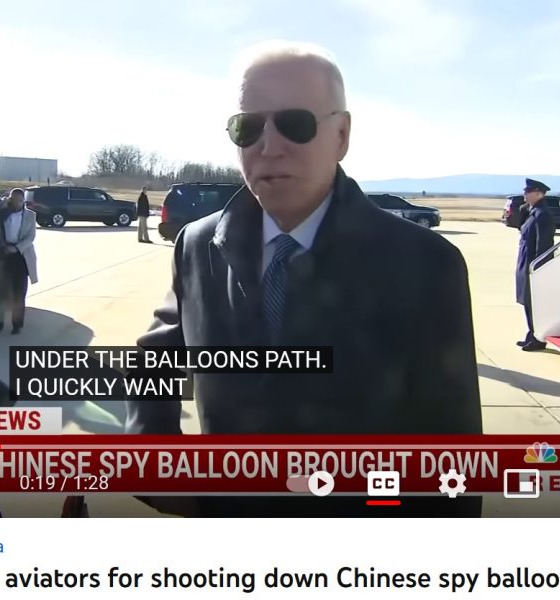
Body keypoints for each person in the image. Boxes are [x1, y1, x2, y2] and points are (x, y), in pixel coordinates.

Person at [125, 41, 482, 517]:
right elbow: (154, 361)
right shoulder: (198, 244)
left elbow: (450, 451)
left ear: (342, 135)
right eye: (248, 128)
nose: (269, 147)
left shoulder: (424, 263)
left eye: (295, 124)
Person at [0, 188, 38, 335]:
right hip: (3, 255)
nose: (17, 203)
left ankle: (17, 325)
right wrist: (3, 247)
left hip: (21, 255)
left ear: (24, 201)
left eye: (20, 200)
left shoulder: (30, 215)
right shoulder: (2, 213)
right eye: (13, 200)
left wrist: (16, 248)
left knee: (19, 293)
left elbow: (30, 237)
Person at [515, 178, 555, 351]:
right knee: (527, 302)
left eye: (528, 191)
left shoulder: (542, 214)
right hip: (525, 262)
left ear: (539, 194)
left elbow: (544, 244)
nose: (525, 194)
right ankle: (531, 334)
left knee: (534, 304)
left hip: (533, 265)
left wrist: (539, 269)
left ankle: (538, 338)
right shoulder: (532, 212)